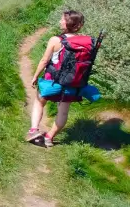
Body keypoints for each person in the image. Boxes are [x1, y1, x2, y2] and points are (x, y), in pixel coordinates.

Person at [27, 10, 87, 148]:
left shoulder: (56, 40)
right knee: (64, 111)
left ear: (67, 23)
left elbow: (44, 60)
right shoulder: (83, 42)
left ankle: (34, 130)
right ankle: (49, 137)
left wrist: (35, 76)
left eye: (62, 19)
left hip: (51, 80)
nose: (60, 21)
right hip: (73, 83)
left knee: (39, 102)